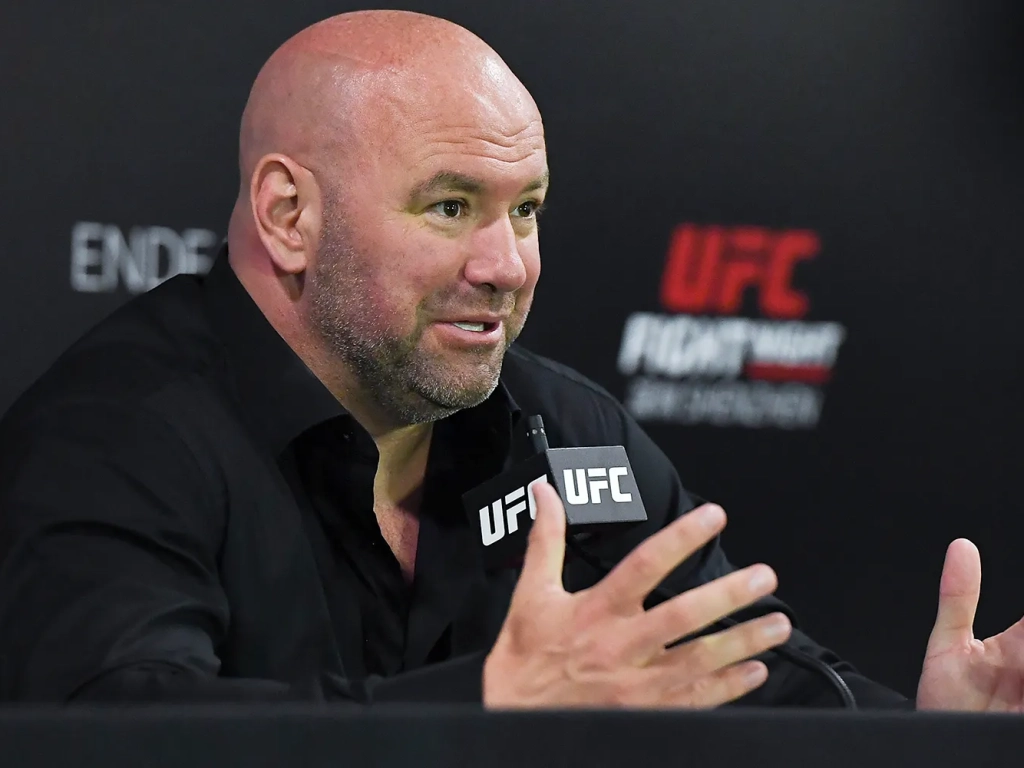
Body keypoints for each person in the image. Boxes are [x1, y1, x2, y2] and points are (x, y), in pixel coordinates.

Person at [0, 10, 1019, 711]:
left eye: (524, 210)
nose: (507, 266)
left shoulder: (564, 432)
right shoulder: (114, 438)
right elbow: (118, 728)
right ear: (288, 214)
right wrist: (488, 705)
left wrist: (928, 741)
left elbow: (743, 672)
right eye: (450, 207)